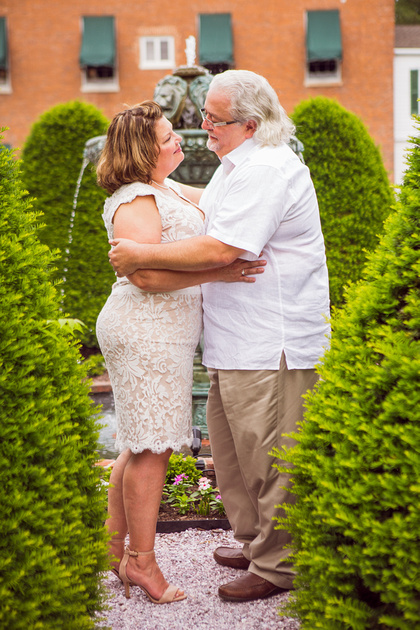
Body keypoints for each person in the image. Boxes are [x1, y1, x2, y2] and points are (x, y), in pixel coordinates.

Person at [108, 71, 331, 603]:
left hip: (269, 341)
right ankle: (257, 541)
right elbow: (201, 200)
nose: (201, 125)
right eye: (203, 113)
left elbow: (221, 249)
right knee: (234, 457)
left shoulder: (269, 170)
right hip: (234, 342)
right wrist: (145, 181)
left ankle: (279, 565)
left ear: (250, 125)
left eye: (214, 118)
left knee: (270, 456)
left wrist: (141, 254)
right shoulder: (240, 165)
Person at [95, 100, 265, 604]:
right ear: (143, 149)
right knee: (153, 446)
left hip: (161, 330)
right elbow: (144, 275)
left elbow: (219, 200)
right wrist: (221, 271)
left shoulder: (164, 188)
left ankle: (113, 549)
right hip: (144, 328)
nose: (178, 141)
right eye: (168, 136)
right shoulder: (135, 198)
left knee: (139, 442)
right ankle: (142, 564)